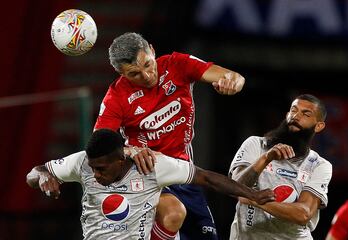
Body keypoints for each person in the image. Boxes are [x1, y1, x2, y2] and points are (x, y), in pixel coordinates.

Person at [94, 32, 245, 239]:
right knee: (173, 212)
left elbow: (233, 76)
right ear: (122, 74)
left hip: (184, 174)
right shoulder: (116, 97)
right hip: (145, 176)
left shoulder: (177, 65)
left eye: (148, 64)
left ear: (152, 50)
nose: (146, 76)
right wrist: (130, 151)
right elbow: (99, 147)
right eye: (134, 74)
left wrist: (232, 82)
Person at [26, 129, 274, 240]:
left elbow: (207, 177)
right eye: (92, 168)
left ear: (121, 159)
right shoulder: (81, 162)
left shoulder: (153, 167)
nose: (95, 174)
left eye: (101, 169)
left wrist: (251, 194)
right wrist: (43, 175)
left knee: (174, 210)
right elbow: (34, 174)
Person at [228, 94, 333, 239]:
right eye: (293, 110)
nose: (296, 116)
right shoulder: (256, 145)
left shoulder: (319, 165)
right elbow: (234, 187)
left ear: (319, 125)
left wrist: (253, 198)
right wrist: (266, 158)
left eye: (306, 114)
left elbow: (303, 214)